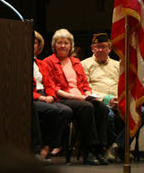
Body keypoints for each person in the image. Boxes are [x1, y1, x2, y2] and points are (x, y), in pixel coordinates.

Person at [81, 33, 144, 162]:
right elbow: (85, 89)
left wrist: (121, 98)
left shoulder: (118, 64)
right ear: (92, 48)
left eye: (104, 47)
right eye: (97, 47)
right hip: (100, 103)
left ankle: (117, 146)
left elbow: (127, 85)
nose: (100, 50)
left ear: (109, 49)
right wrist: (107, 99)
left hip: (120, 100)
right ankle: (114, 148)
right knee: (107, 116)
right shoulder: (84, 65)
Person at [42, 28, 108, 165]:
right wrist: (78, 98)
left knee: (101, 107)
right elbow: (53, 87)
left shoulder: (76, 62)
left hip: (82, 99)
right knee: (87, 107)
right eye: (59, 43)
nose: (63, 46)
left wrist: (89, 94)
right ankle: (89, 150)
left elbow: (85, 84)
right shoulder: (48, 62)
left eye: (66, 43)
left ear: (71, 45)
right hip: (63, 99)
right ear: (54, 45)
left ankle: (100, 149)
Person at [32, 31, 72, 159]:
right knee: (54, 110)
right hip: (32, 98)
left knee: (66, 111)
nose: (32, 45)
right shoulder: (19, 62)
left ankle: (48, 146)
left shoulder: (41, 63)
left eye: (35, 43)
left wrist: (51, 96)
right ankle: (38, 149)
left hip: (45, 96)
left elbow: (48, 84)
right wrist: (40, 97)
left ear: (39, 46)